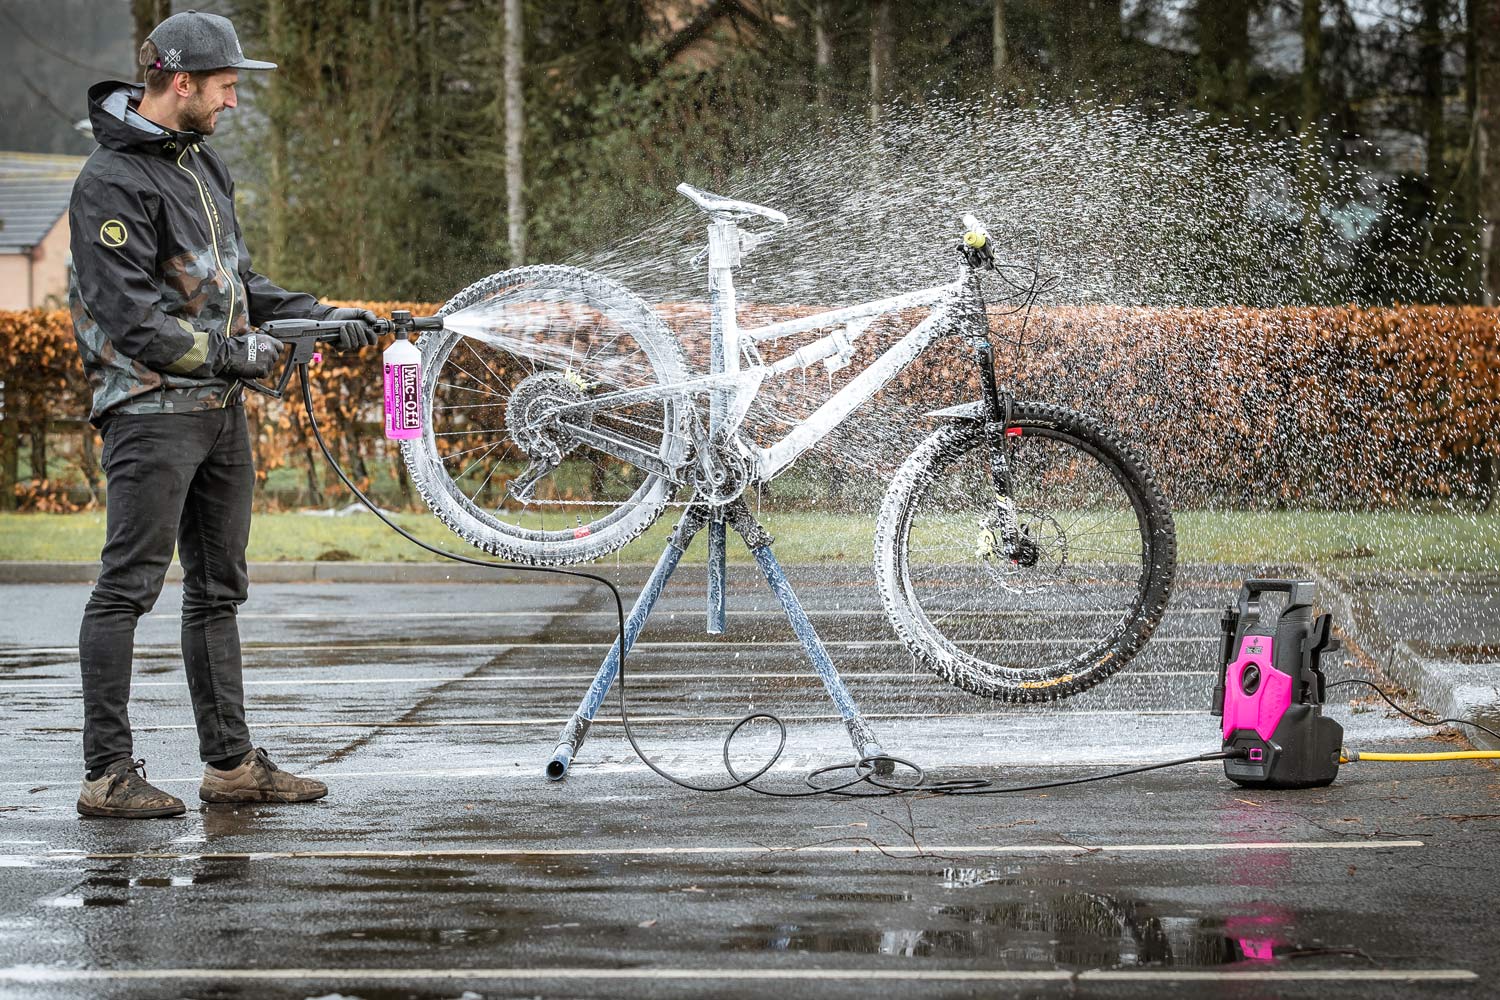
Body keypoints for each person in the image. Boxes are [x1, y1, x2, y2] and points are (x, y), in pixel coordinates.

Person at [68, 11, 378, 818]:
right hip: (147, 409)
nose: (234, 102)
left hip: (217, 410)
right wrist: (237, 355)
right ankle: (107, 774)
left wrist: (322, 312)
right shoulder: (110, 180)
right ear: (181, 82)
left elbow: (238, 287)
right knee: (127, 588)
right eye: (226, 87)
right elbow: (132, 319)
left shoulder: (203, 168)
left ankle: (232, 767)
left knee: (218, 589)